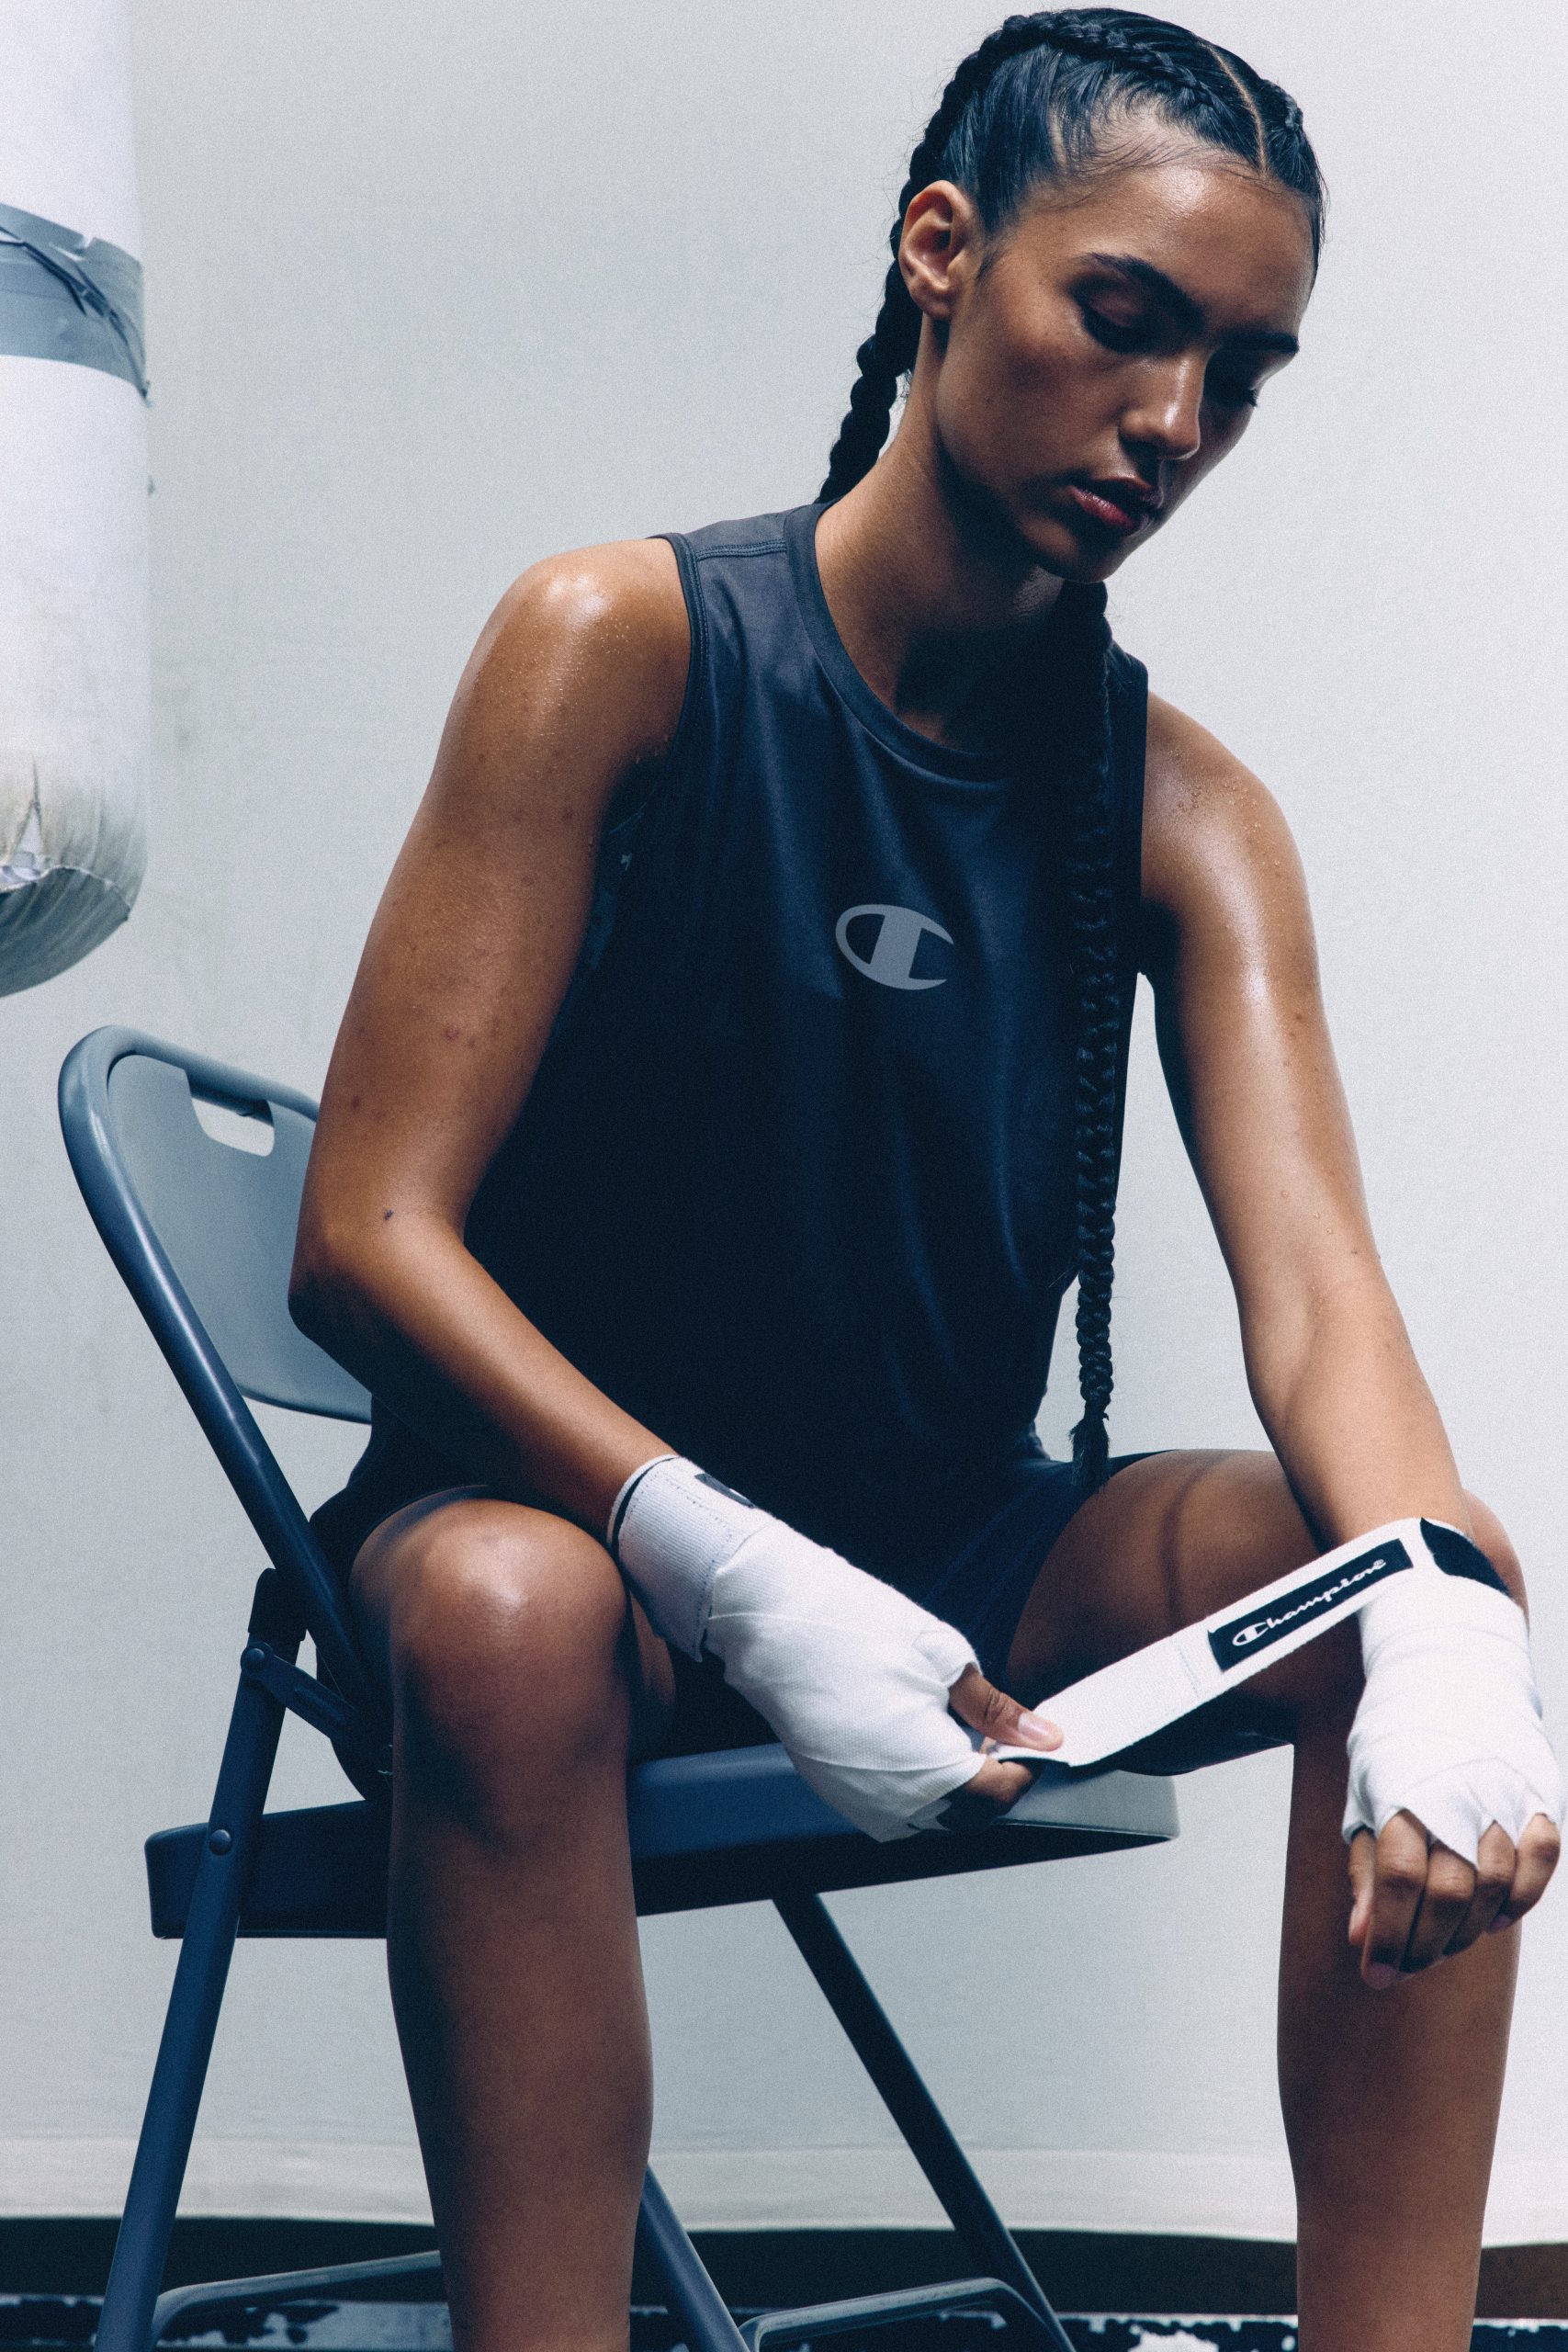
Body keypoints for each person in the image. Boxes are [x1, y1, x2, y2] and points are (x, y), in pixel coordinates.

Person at [288, 11, 1561, 2348]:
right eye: (1123, 317)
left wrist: (1449, 1628)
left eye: (1239, 375)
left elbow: (1318, 1302)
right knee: (499, 1605)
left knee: (1404, 1553)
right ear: (942, 250)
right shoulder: (623, 644)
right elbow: (363, 1238)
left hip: (950, 1552)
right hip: (573, 1539)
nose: (1171, 421)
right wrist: (723, 1556)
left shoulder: (1183, 812)